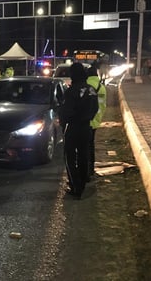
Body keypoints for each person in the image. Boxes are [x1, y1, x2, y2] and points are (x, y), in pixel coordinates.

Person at [59, 62, 99, 199]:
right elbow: (95, 108)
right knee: (84, 155)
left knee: (70, 157)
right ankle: (82, 182)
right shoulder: (91, 90)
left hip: (73, 127)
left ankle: (75, 186)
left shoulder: (71, 91)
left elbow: (65, 111)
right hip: (86, 127)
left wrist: (64, 125)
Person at [86, 64, 107, 182]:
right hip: (96, 120)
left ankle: (86, 170)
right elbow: (104, 105)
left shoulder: (87, 86)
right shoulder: (102, 87)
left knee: (84, 147)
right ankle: (91, 168)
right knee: (91, 146)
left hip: (86, 121)